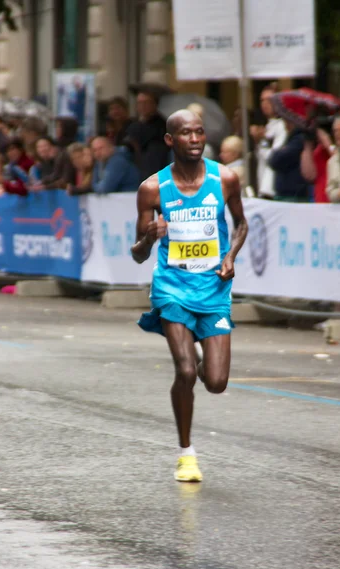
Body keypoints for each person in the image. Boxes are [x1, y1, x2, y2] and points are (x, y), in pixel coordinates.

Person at [131, 110, 248, 482]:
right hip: (172, 288)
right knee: (184, 371)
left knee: (215, 382)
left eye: (199, 132)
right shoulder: (153, 189)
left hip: (213, 289)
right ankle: (186, 454)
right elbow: (137, 253)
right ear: (170, 140)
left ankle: (201, 350)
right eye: (186, 133)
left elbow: (242, 223)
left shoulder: (225, 178)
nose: (195, 139)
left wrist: (230, 256)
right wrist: (150, 235)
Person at [250, 84, 287, 198]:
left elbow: (274, 156)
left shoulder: (283, 126)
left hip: (272, 186)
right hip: (261, 182)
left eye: (269, 100)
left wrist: (263, 140)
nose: (265, 104)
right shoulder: (266, 125)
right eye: (262, 100)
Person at [126, 92, 169, 180]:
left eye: (146, 102)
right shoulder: (133, 124)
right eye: (140, 103)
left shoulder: (162, 124)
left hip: (154, 167)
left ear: (154, 104)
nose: (143, 106)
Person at [267, 119, 310, 202]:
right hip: (284, 195)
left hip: (294, 196)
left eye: (287, 122)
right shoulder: (289, 139)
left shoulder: (299, 140)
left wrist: (277, 153)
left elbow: (275, 160)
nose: (285, 126)